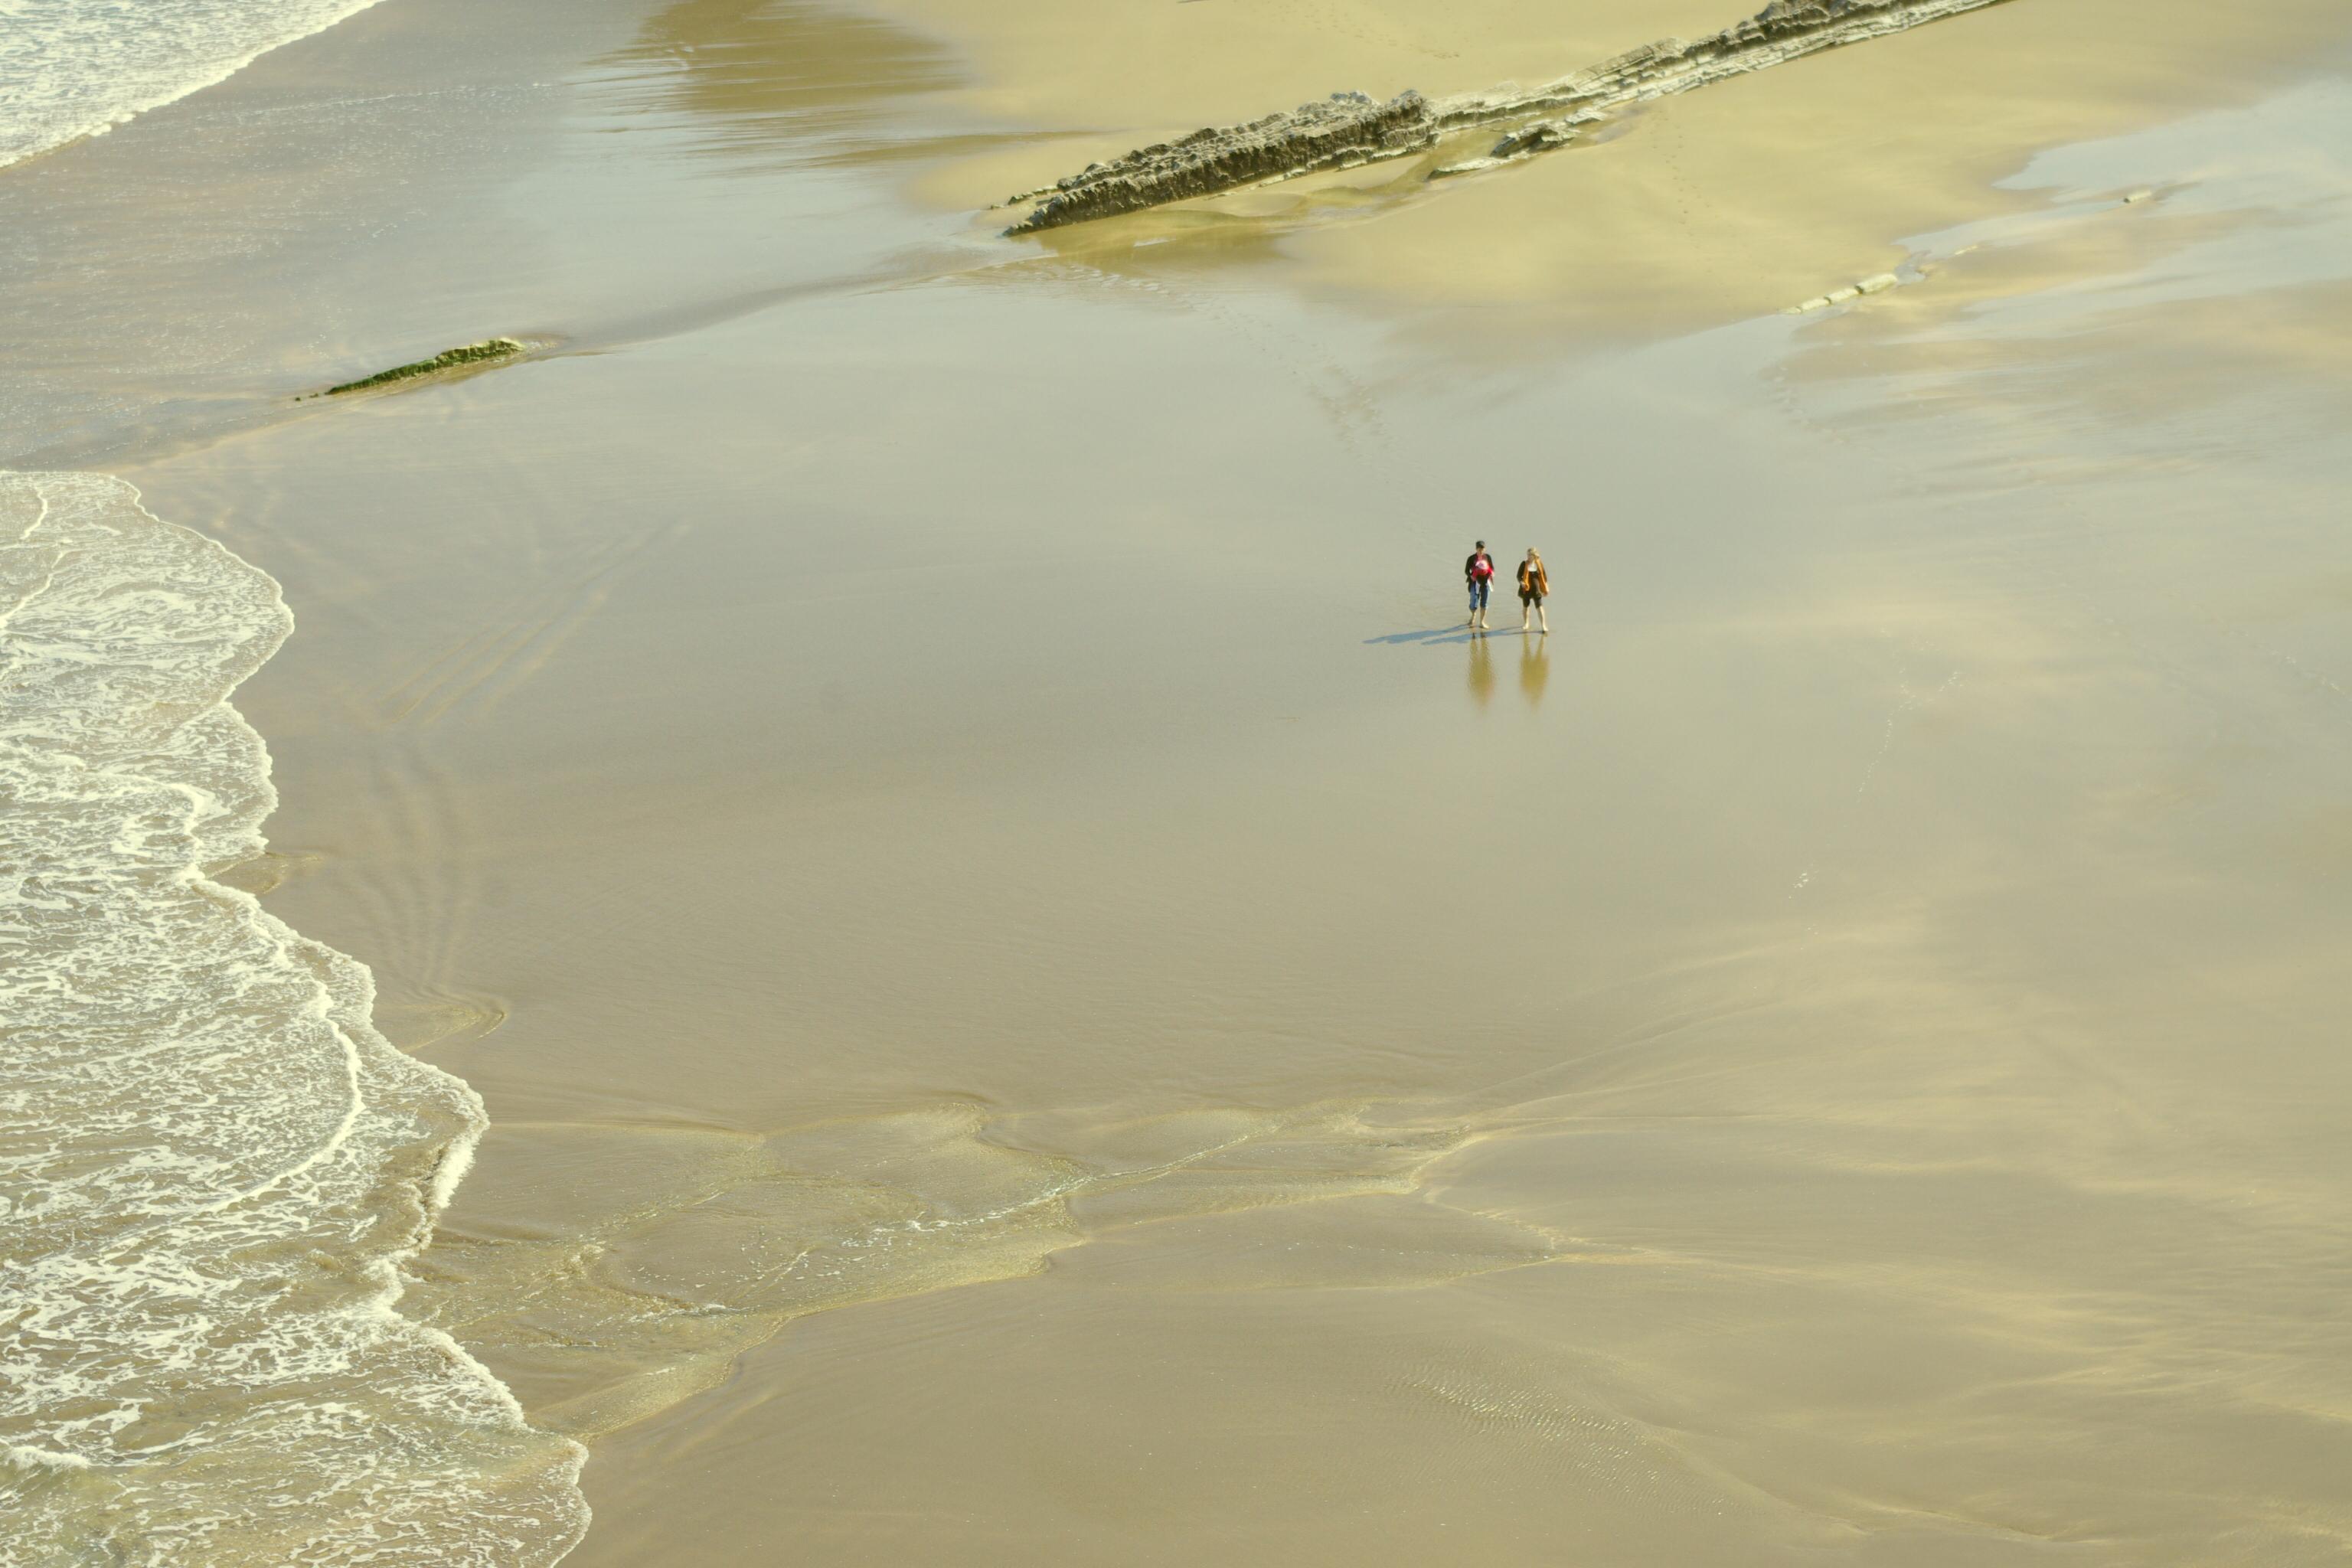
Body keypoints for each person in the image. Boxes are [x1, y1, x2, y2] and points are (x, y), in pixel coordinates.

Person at [1464, 540, 1496, 629]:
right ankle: (1473, 614)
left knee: (1484, 603)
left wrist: (1490, 573)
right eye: (1479, 549)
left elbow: (1492, 568)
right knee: (1473, 602)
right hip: (1475, 582)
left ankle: (1482, 622)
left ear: (1485, 549)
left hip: (1486, 582)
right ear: (1476, 549)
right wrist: (1471, 576)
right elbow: (1466, 571)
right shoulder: (1471, 558)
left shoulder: (1488, 557)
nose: (1481, 551)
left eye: (1482, 549)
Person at [1517, 547, 1550, 634]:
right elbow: (1518, 576)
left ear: (1534, 556)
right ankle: (1526, 623)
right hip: (1526, 589)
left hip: (1537, 590)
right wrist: (1521, 583)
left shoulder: (1539, 564)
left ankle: (1543, 626)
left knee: (1540, 607)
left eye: (1530, 555)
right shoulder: (1524, 564)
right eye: (1527, 554)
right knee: (1526, 607)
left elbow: (1544, 576)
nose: (1528, 557)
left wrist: (1546, 587)